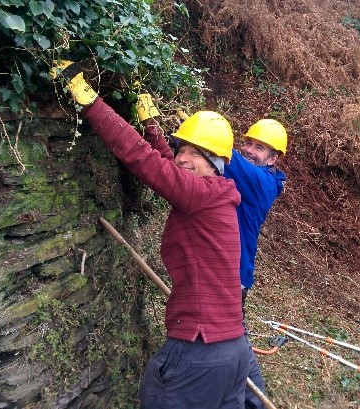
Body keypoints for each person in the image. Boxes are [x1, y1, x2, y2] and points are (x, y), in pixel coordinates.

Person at [51, 61, 249, 408]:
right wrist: (152, 123)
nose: (184, 158)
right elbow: (167, 165)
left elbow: (143, 160)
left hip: (199, 347)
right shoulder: (214, 194)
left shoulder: (201, 195)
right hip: (233, 352)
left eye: (195, 153)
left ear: (216, 163)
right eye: (181, 149)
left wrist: (89, 100)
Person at [224, 119, 288, 409]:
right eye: (247, 143)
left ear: (273, 159)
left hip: (231, 277)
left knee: (232, 350)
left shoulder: (261, 182)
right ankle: (253, 402)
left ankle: (252, 402)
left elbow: (223, 154)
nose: (249, 149)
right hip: (228, 273)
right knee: (235, 346)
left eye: (259, 147)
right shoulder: (249, 174)